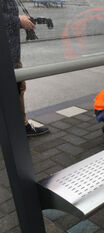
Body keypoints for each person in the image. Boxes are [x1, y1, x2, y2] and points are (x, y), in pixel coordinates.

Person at [1, 0, 50, 136]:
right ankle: (19, 129)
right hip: (6, 56)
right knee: (14, 91)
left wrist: (23, 21)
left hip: (11, 53)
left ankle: (20, 126)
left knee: (19, 88)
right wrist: (18, 20)